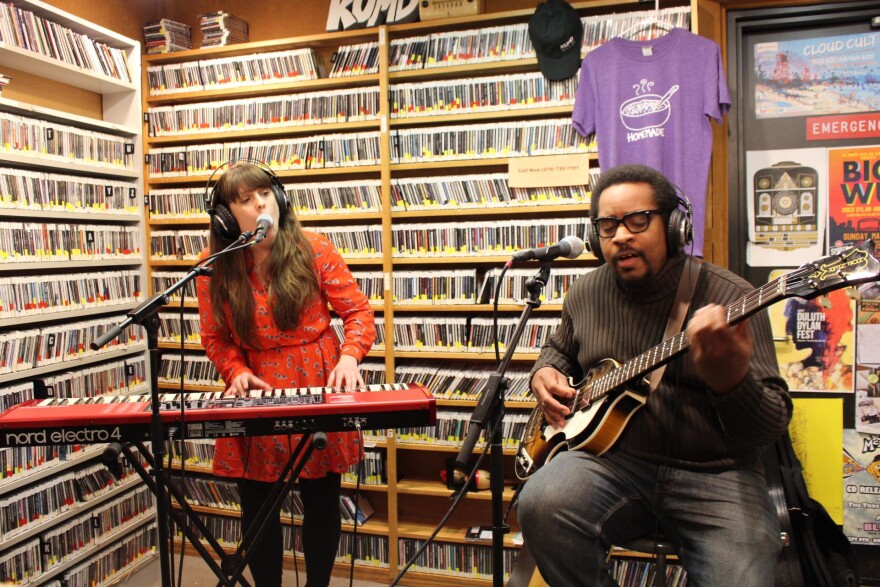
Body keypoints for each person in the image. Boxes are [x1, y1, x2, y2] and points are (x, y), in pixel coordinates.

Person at [517, 164, 791, 586]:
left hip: (718, 473)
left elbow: (768, 428)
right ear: (595, 237)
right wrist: (545, 372)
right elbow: (558, 351)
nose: (621, 235)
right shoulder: (586, 293)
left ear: (676, 226)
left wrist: (732, 381)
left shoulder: (731, 297)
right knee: (541, 503)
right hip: (613, 462)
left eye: (637, 220)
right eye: (608, 225)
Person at [195, 161, 375, 587]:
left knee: (321, 500)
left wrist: (349, 357)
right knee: (257, 506)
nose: (261, 205)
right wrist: (234, 370)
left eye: (265, 194)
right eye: (245, 200)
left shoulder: (315, 249)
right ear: (224, 217)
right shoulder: (213, 266)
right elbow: (215, 338)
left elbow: (358, 314)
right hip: (256, 390)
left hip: (317, 378)